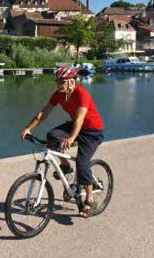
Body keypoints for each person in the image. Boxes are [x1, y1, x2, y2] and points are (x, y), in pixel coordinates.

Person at [20, 66, 105, 218]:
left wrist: (72, 138)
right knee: (52, 135)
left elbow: (79, 119)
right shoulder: (59, 94)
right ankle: (65, 166)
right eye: (57, 81)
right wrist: (28, 128)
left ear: (71, 82)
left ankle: (90, 199)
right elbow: (43, 113)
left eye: (62, 82)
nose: (59, 84)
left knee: (82, 162)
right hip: (75, 126)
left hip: (92, 131)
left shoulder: (81, 94)